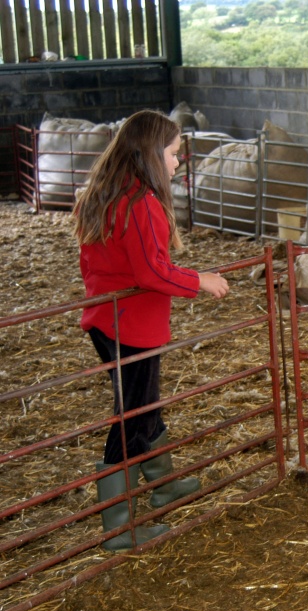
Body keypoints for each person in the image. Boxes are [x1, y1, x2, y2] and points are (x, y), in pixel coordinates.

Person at [75, 109, 230, 551]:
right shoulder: (140, 201)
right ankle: (119, 527)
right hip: (132, 326)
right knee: (133, 417)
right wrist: (198, 279)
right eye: (173, 153)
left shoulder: (106, 192)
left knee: (144, 403)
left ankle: (162, 485)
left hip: (110, 320)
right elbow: (151, 272)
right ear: (149, 154)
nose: (178, 162)